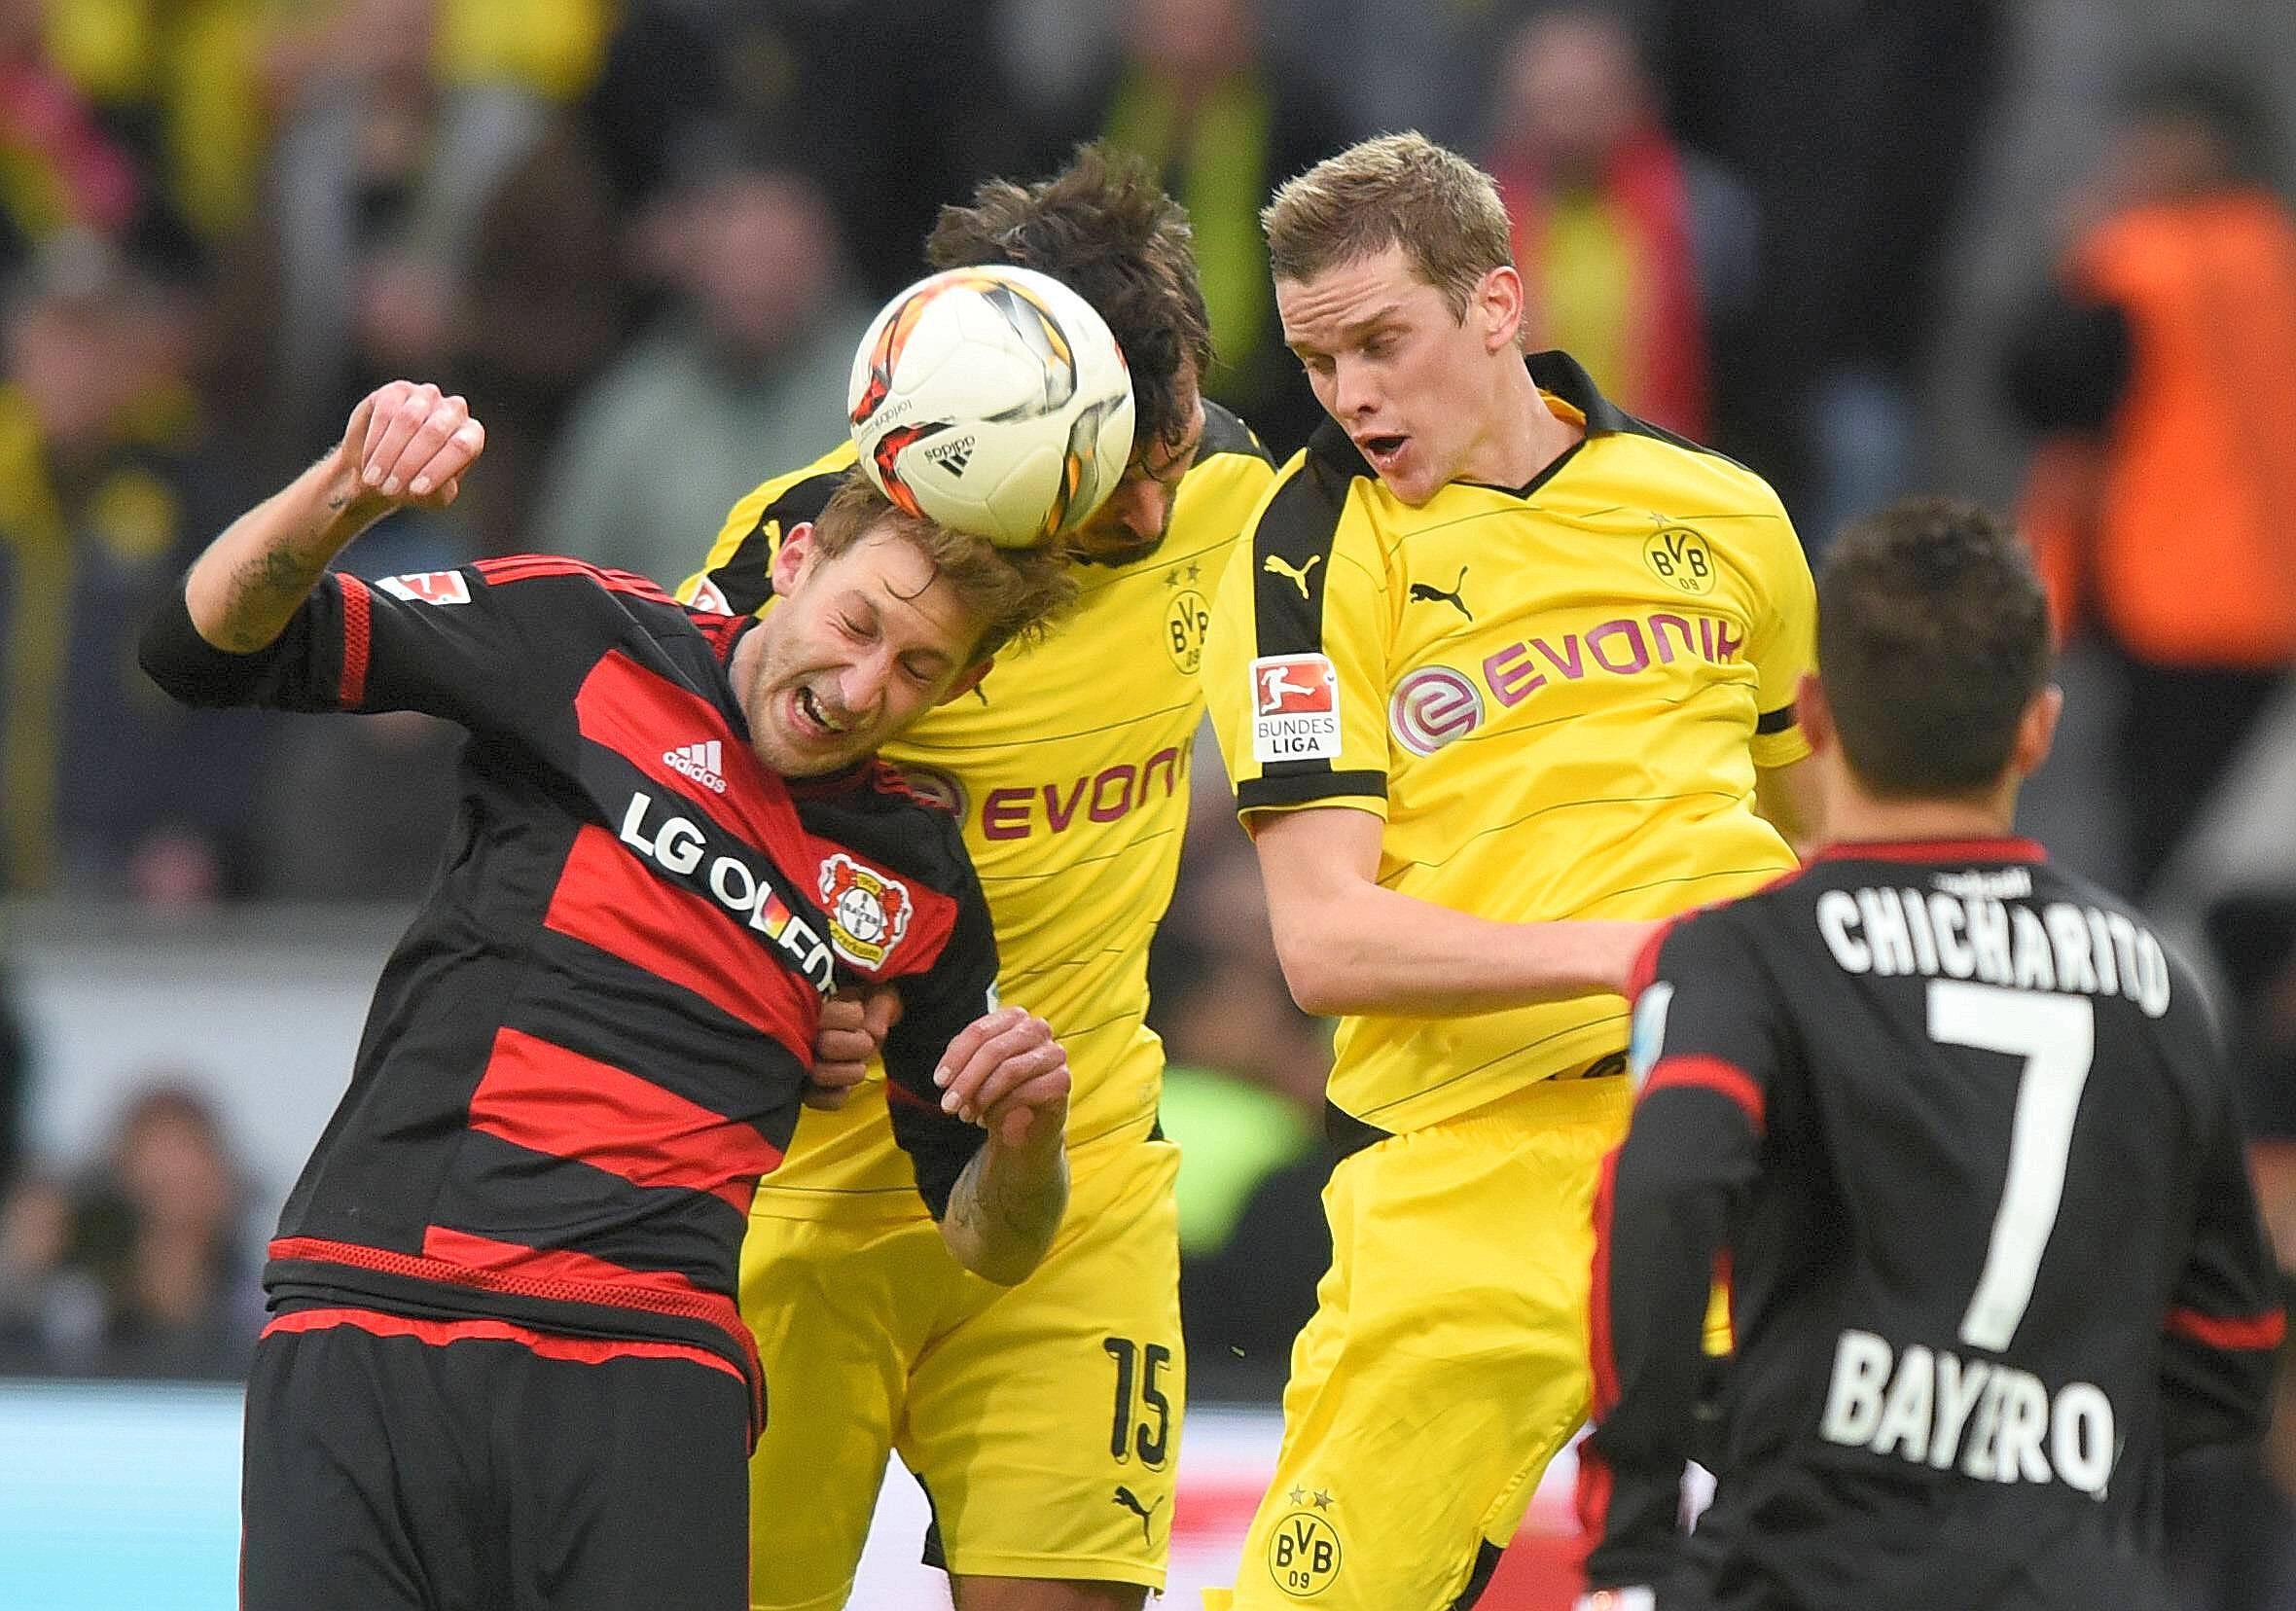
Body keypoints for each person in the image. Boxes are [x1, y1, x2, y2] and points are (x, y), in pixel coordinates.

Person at [137, 377, 1078, 1611]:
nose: (859, 687)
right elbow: (197, 654)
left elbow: (986, 1235)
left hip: (651, 1359)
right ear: (794, 562)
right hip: (378, 1299)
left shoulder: (917, 878)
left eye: (915, 669)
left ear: (954, 695)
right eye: (856, 625)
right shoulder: (580, 636)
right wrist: (341, 495)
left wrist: (1026, 1143)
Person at [1201, 131, 1819, 1608]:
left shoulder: (1723, 514)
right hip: (1465, 1164)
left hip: (1739, 1140)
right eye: (1318, 357)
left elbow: (1818, 833)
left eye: (1381, 342)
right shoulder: (1302, 561)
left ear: (1495, 304)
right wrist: (1642, 954)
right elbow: (1327, 946)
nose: (1351, 393)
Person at [683, 144, 1275, 1611]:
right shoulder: (822, 562)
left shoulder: (1233, 490)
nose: (1156, 497)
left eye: (1180, 426)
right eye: (1128, 453)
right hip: (793, 1206)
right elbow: (666, 826)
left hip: (1071, 1185)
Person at [1575, 498, 2286, 1611]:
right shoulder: (2152, 982)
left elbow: (1660, 1195)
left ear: (1810, 713)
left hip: (1806, 1564)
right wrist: (2050, 1426)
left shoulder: (1742, 954)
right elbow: (2232, 1346)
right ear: (2036, 729)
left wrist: (1634, 1537)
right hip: (2078, 1576)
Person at [2002, 63, 2296, 899]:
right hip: (2268, 598)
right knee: (2232, 840)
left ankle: (2176, 999)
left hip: (2171, 594)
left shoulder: (2139, 259)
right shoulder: (2276, 247)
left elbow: (2038, 386)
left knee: (2164, 838)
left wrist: (2075, 251)